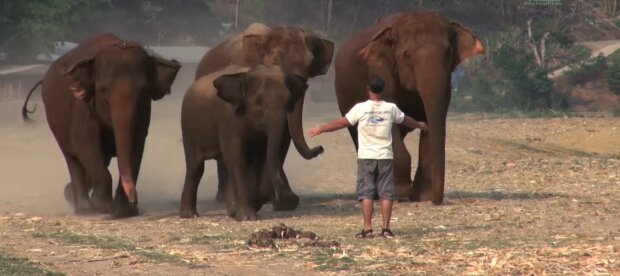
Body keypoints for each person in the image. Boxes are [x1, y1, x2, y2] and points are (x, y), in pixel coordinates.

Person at [308, 76, 428, 238]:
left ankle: (367, 229)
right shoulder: (390, 108)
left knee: (366, 193)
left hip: (366, 157)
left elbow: (341, 123)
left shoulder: (360, 108)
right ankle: (386, 229)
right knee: (386, 193)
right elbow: (406, 120)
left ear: (368, 90)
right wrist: (420, 125)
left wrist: (321, 128)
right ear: (383, 90)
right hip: (385, 156)